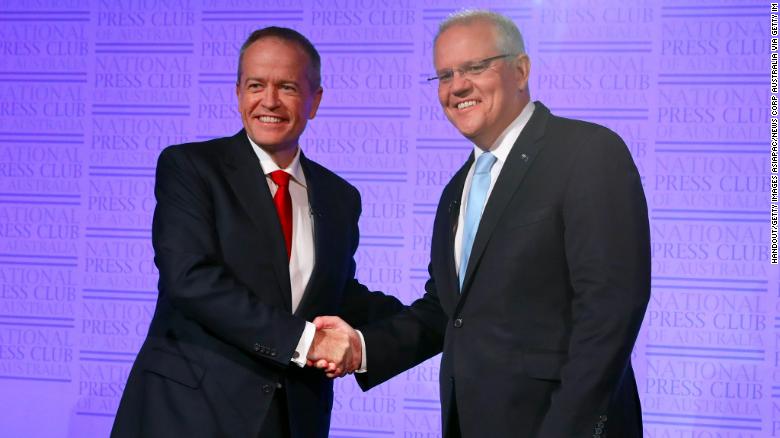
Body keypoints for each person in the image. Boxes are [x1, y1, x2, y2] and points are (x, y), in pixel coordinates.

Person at [310, 10, 651, 438]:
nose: (457, 86)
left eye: (475, 67)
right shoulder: (458, 189)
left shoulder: (586, 152)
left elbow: (609, 311)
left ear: (521, 70)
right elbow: (448, 312)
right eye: (445, 74)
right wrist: (363, 347)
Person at [110, 27, 402, 438]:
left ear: (315, 100)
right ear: (237, 94)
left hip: (293, 419)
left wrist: (441, 318)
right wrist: (308, 342)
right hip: (187, 416)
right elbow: (190, 280)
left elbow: (332, 295)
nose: (269, 101)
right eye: (255, 85)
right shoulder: (191, 168)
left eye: (287, 87)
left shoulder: (340, 197)